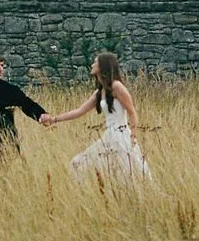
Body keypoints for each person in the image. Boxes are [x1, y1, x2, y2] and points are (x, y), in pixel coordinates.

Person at [42, 50, 152, 183]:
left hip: (121, 136)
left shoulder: (116, 86)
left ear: (103, 66)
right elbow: (79, 111)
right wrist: (54, 119)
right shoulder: (100, 92)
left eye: (95, 62)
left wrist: (133, 135)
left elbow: (132, 111)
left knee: (126, 176)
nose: (92, 64)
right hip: (109, 136)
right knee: (77, 163)